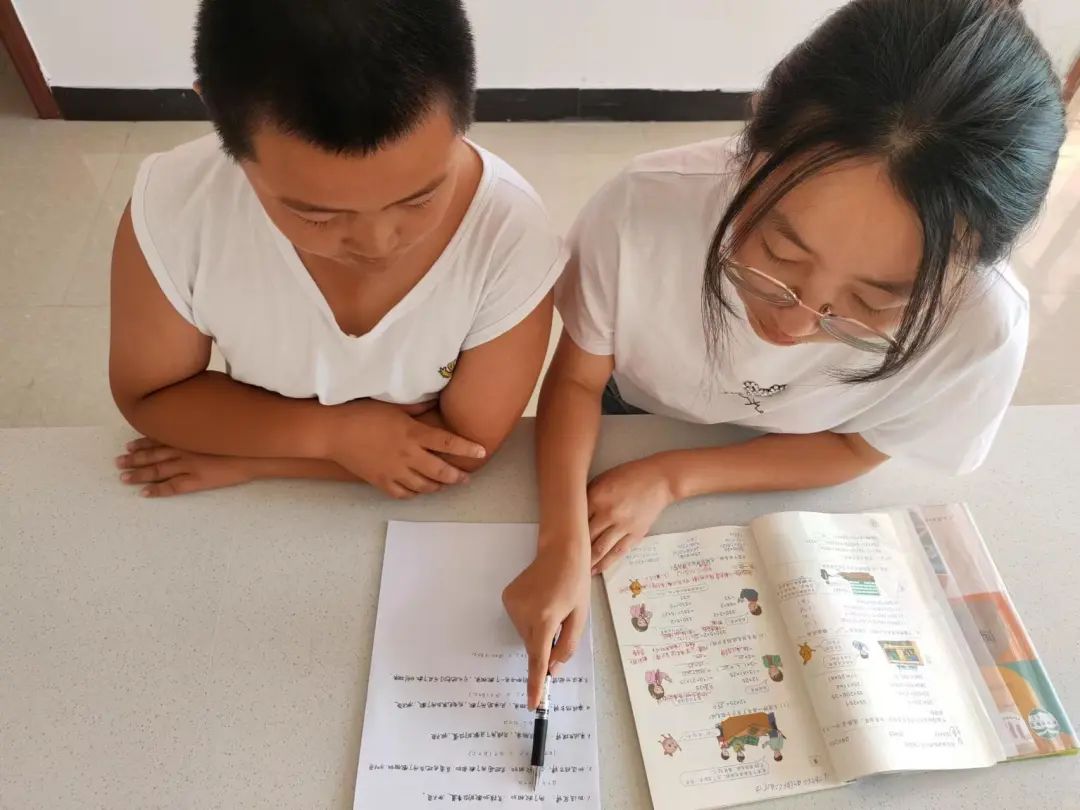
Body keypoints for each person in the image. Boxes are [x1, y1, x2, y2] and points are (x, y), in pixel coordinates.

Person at [503, 0, 1066, 707]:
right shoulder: (644, 209)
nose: (797, 323)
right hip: (638, 411)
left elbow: (860, 447)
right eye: (778, 254)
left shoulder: (981, 325)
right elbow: (579, 380)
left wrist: (675, 477)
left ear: (968, 268)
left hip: (802, 451)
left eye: (872, 303)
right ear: (754, 138)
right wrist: (561, 541)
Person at [109, 0, 563, 499]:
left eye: (420, 198)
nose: (378, 243)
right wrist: (335, 436)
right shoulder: (177, 206)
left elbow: (461, 451)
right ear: (218, 116)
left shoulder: (508, 233)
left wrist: (252, 459)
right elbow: (151, 397)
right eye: (317, 215)